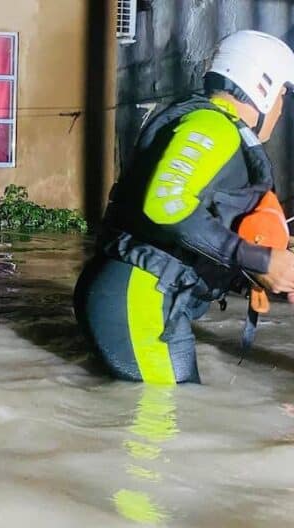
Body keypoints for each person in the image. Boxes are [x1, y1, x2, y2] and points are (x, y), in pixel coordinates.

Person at [74, 30, 294, 384]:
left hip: (138, 296)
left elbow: (199, 231)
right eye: (283, 94)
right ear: (263, 86)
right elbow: (165, 203)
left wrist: (269, 270)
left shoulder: (214, 128)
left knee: (172, 424)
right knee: (167, 427)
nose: (282, 108)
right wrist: (260, 260)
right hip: (138, 299)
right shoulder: (212, 126)